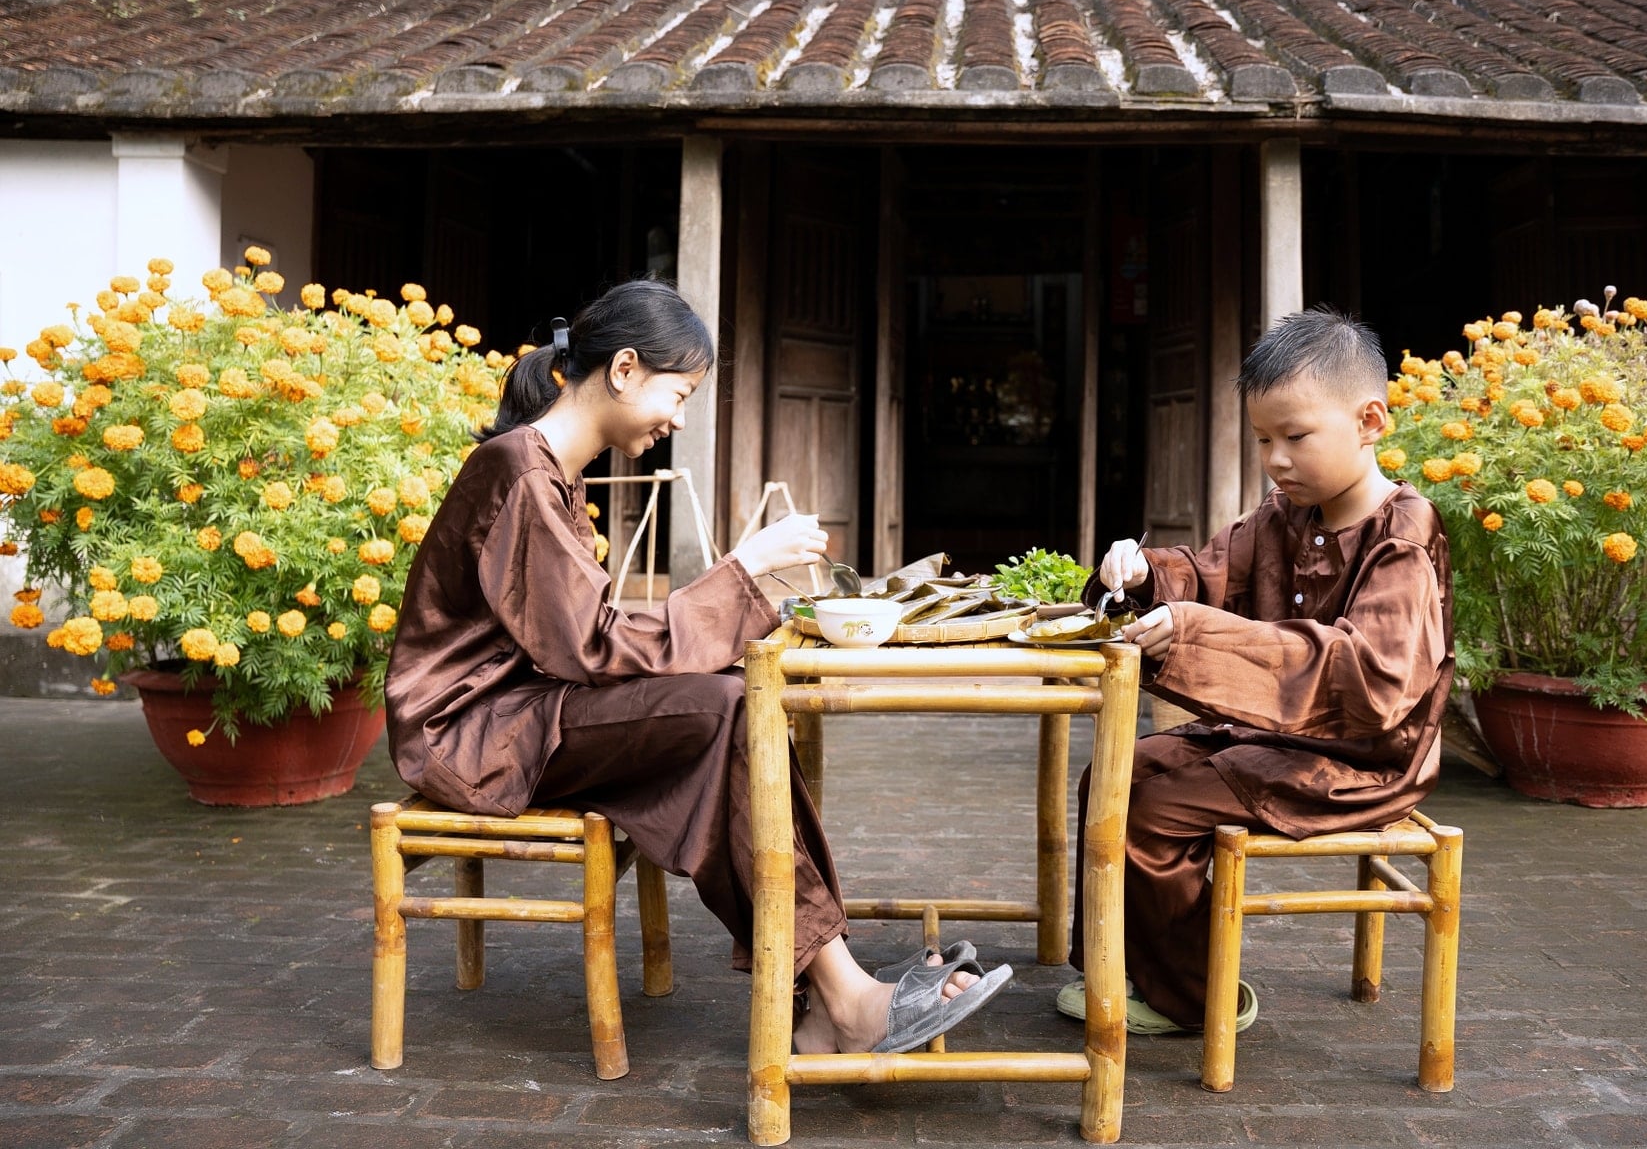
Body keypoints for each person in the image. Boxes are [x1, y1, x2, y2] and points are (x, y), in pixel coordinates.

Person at [384, 279, 1011, 1056]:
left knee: (731, 711)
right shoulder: (520, 470)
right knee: (727, 710)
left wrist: (752, 602)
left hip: (526, 709)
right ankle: (839, 997)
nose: (677, 419)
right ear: (622, 371)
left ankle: (830, 987)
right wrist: (744, 569)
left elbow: (580, 642)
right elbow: (590, 645)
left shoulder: (545, 469)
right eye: (677, 394)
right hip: (470, 732)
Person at [1057, 307, 1453, 1035]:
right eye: (1264, 439)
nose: (1275, 459)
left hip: (1362, 761)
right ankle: (1124, 964)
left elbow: (1370, 683)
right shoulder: (1281, 517)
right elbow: (1209, 576)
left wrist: (1196, 636)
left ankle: (1194, 997)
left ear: (1371, 421)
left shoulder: (1403, 537)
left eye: (1296, 437)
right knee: (1111, 777)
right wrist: (1145, 574)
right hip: (1275, 738)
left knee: (1148, 815)